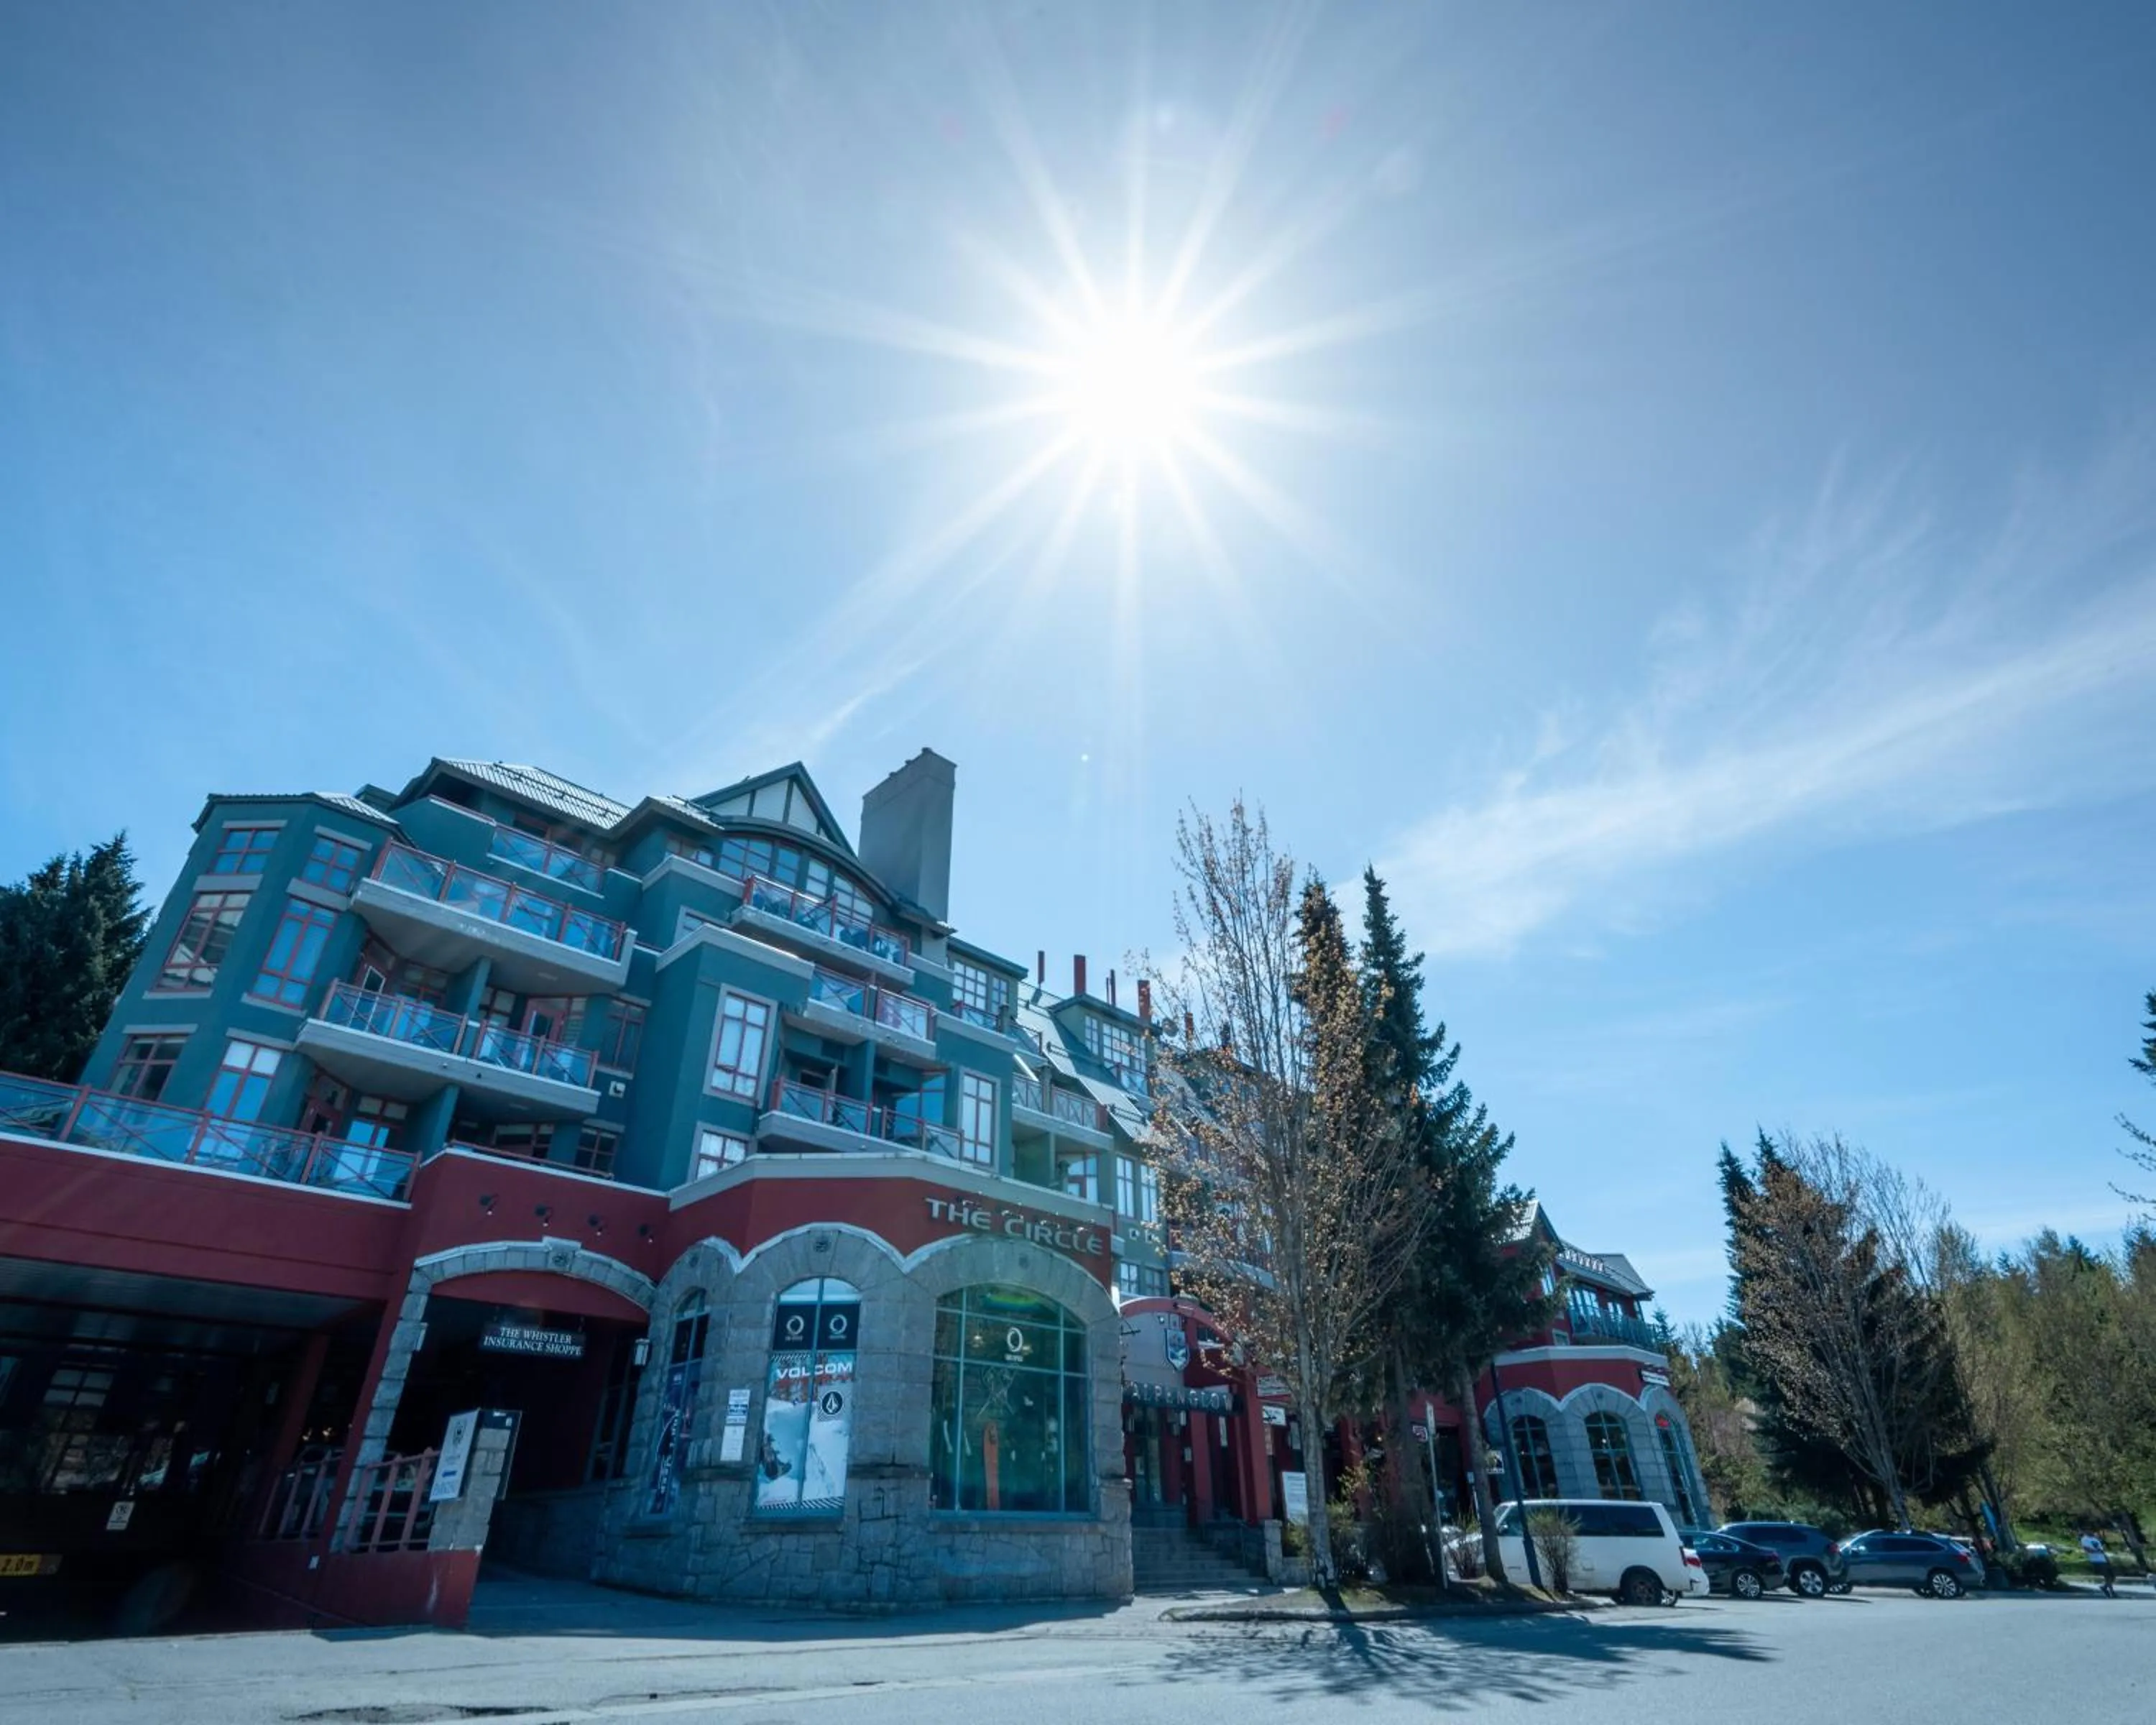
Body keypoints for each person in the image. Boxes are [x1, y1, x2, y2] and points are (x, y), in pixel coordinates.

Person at [2081, 1529, 2116, 1598]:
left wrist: (2107, 1558)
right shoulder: (2085, 1539)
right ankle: (2112, 1593)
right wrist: (2097, 1551)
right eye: (2090, 1530)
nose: (2092, 1531)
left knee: (2112, 1576)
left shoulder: (2095, 1539)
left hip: (2103, 1559)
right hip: (2096, 1560)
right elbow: (2087, 1549)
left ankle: (2105, 1587)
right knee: (2107, 1576)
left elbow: (2102, 1550)